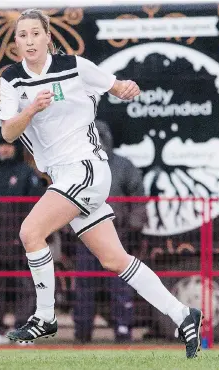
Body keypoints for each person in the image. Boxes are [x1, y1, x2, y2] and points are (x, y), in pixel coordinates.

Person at [0, 9, 202, 358]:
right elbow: (7, 132)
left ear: (48, 37)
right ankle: (183, 314)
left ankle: (44, 316)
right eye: (22, 35)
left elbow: (118, 86)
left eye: (35, 34)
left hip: (86, 169)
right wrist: (30, 111)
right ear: (15, 42)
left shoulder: (75, 65)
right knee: (115, 260)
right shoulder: (12, 79)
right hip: (64, 177)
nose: (28, 41)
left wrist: (126, 89)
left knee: (31, 232)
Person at [73, 120, 147, 343]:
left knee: (120, 286)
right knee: (85, 288)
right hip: (86, 237)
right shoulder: (80, 167)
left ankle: (123, 330)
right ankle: (82, 332)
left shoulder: (123, 166)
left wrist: (134, 227)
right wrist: (69, 231)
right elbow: (65, 201)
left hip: (117, 236)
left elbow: (138, 198)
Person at [0, 136, 44, 346]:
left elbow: (36, 207)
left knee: (25, 286)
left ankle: (23, 328)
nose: (4, 150)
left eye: (7, 146)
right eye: (0, 146)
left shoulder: (27, 173)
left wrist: (27, 235)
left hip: (23, 242)